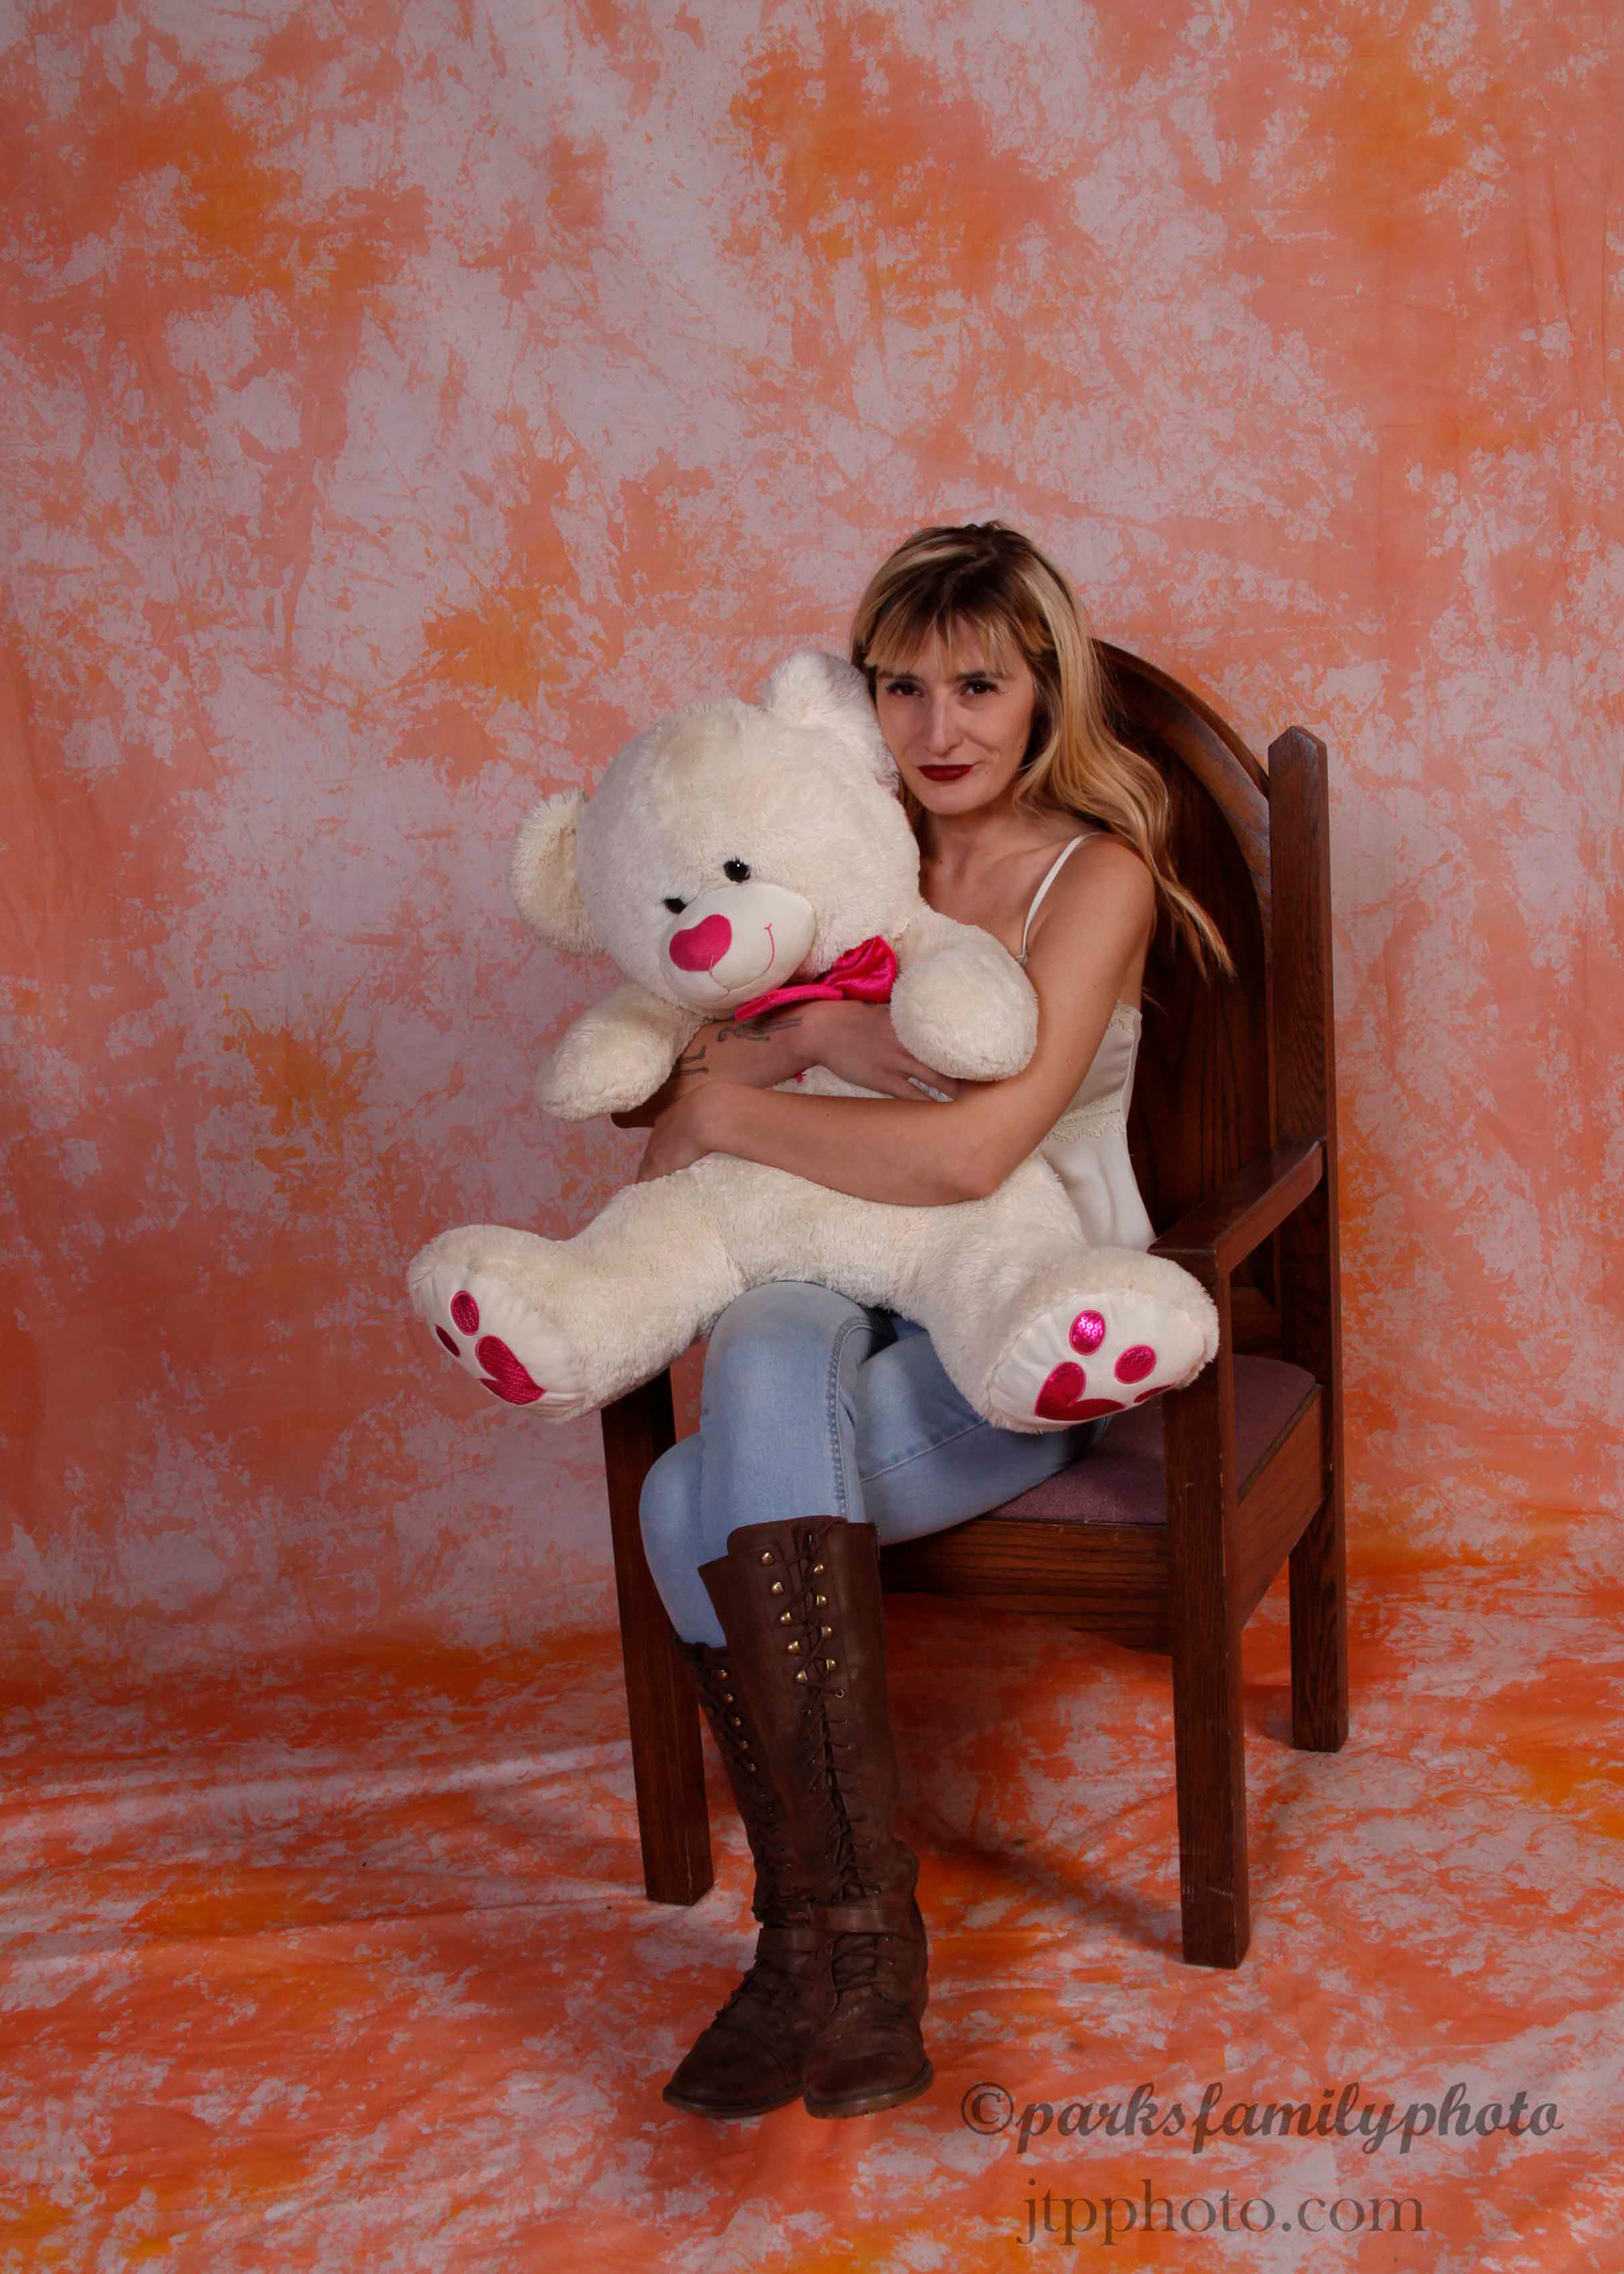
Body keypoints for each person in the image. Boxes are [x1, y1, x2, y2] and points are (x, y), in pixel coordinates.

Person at [616, 523, 1232, 2124]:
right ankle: (852, 1948)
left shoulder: (1094, 875)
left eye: (978, 686)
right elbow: (682, 1058)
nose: (939, 728)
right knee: (765, 1337)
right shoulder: (840, 850)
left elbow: (969, 1156)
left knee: (681, 1508)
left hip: (1016, 1327)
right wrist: (820, 1034)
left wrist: (737, 1108)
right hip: (838, 1283)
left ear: (1044, 693)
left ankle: (806, 1943)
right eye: (901, 687)